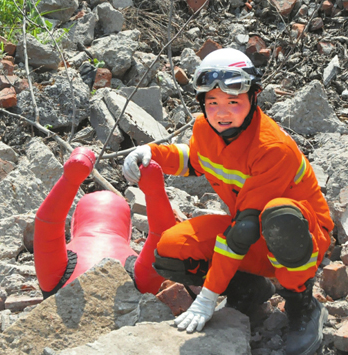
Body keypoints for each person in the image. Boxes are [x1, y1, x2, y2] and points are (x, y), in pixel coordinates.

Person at [122, 48, 335, 355]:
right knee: (170, 251)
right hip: (252, 235)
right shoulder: (204, 129)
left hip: (302, 237)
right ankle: (248, 290)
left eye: (233, 102)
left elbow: (244, 228)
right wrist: (152, 154)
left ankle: (302, 305)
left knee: (279, 218)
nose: (222, 112)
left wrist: (208, 297)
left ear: (253, 98)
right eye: (213, 103)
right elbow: (195, 161)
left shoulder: (272, 148)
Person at [34, 146, 175, 298]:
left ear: (74, 225)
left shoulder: (62, 265)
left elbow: (47, 224)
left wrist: (70, 179)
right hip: (128, 307)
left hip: (63, 305)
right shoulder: (134, 268)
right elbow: (164, 236)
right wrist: (155, 191)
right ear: (129, 230)